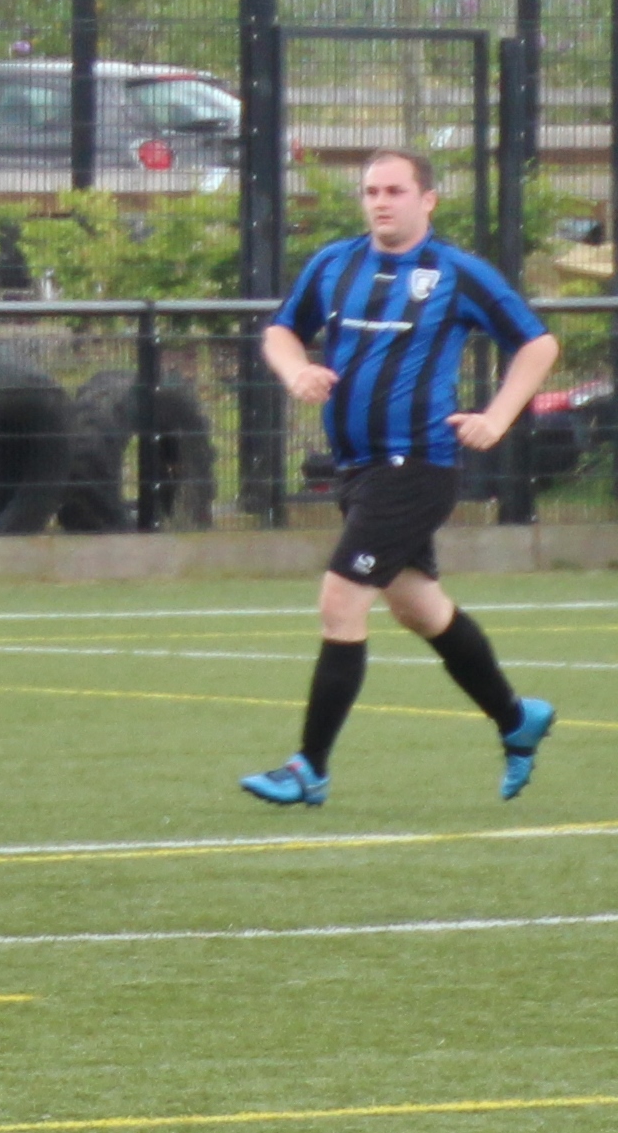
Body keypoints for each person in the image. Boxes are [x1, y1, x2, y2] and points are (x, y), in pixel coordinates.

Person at [241, 147, 560, 808]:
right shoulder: (335, 263)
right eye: (371, 191)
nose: (380, 202)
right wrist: (296, 370)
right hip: (357, 467)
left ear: (427, 200)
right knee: (419, 608)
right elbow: (280, 332)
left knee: (341, 600)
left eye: (394, 190)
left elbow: (538, 343)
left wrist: (498, 417)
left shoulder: (456, 272)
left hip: (415, 465)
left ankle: (309, 767)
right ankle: (515, 718)